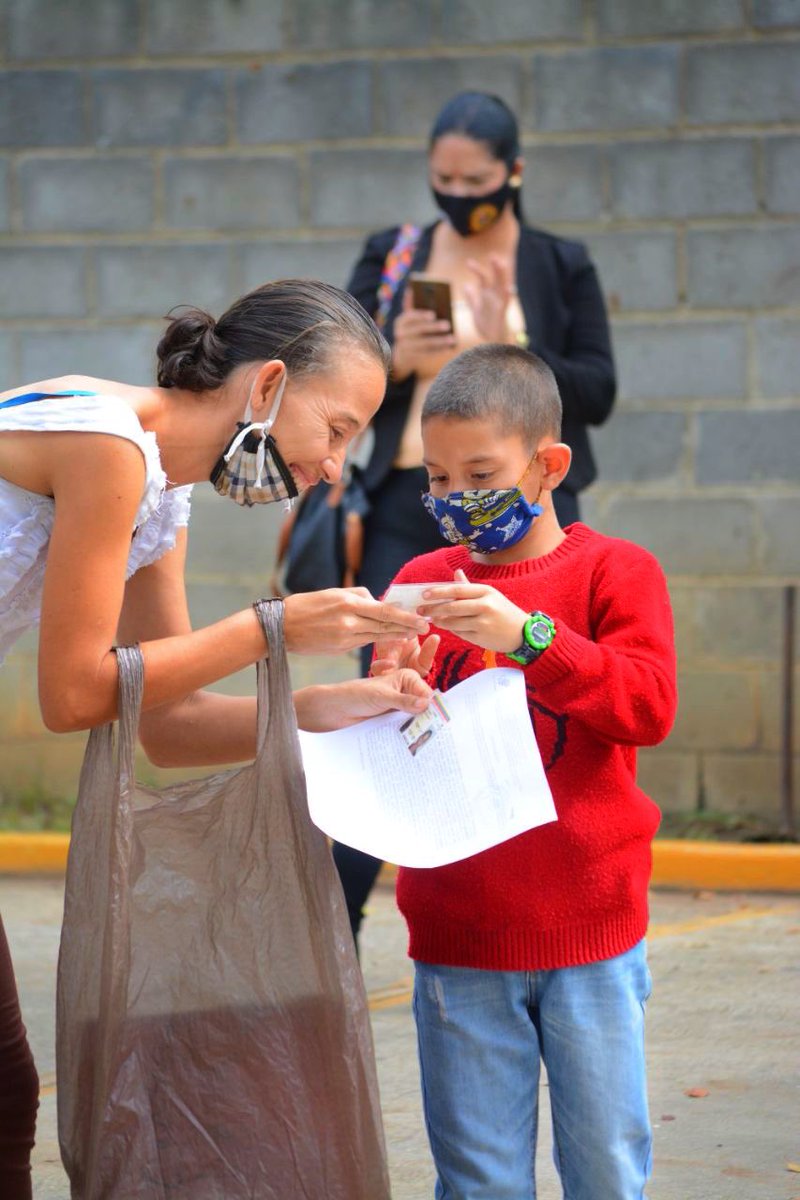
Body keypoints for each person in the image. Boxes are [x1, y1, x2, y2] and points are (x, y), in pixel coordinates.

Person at [0, 278, 435, 1200]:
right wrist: (271, 627)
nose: (333, 469)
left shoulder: (159, 493)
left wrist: (334, 706)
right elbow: (75, 695)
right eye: (339, 428)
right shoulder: (111, 449)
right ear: (269, 385)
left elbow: (167, 725)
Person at [371, 343, 677, 1199]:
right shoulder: (419, 582)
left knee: (606, 1169)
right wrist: (386, 688)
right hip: (460, 934)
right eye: (435, 478)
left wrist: (530, 638)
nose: (453, 499)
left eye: (479, 473)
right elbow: (389, 749)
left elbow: (647, 707)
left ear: (548, 466)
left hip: (593, 931)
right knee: (477, 1181)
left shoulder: (616, 571)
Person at [334, 89, 617, 942]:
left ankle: (525, 892)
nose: (458, 191)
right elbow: (335, 375)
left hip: (518, 518)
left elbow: (598, 390)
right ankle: (333, 921)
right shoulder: (395, 254)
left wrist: (516, 352)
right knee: (387, 700)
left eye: (476, 177)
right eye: (442, 177)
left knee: (526, 696)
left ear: (513, 173)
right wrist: (391, 356)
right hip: (409, 507)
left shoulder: (558, 262)